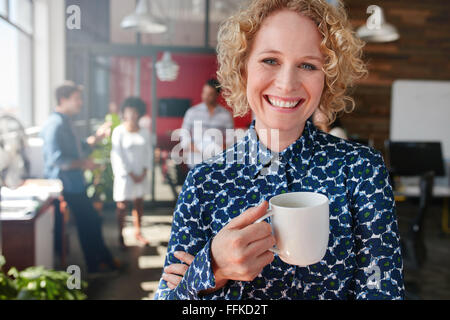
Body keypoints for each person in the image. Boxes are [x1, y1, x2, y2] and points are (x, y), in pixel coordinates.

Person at [155, 0, 404, 300]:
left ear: (327, 79)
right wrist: (213, 268)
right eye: (270, 60)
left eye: (308, 65)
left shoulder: (361, 170)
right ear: (243, 68)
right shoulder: (203, 182)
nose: (287, 84)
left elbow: (383, 291)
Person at [41, 81, 119, 274]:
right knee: (89, 222)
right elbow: (56, 159)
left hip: (74, 184)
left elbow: (78, 148)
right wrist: (85, 164)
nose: (80, 103)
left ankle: (99, 262)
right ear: (63, 99)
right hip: (64, 186)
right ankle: (97, 264)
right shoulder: (55, 124)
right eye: (77, 99)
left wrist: (97, 138)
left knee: (91, 222)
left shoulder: (66, 122)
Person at [110, 97, 151, 247]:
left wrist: (145, 171)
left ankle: (138, 232)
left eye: (136, 112)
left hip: (141, 173)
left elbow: (148, 153)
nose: (133, 115)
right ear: (124, 113)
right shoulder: (118, 132)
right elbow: (117, 154)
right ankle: (120, 235)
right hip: (125, 176)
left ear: (139, 113)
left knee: (138, 203)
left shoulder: (145, 132)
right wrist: (130, 173)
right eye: (130, 112)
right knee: (121, 205)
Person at [180, 79, 234, 167]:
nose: (205, 96)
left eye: (210, 94)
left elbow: (230, 139)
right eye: (204, 92)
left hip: (216, 163)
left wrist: (221, 149)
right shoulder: (192, 112)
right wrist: (198, 150)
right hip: (195, 162)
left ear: (217, 95)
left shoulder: (226, 115)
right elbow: (183, 135)